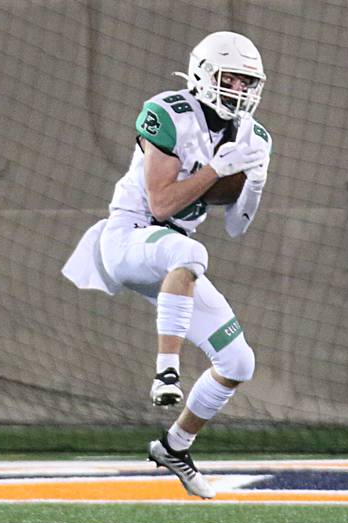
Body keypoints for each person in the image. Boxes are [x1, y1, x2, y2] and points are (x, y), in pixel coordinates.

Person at [62, 32, 272, 498]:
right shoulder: (168, 112)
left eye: (247, 81)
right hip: (129, 237)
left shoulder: (254, 136)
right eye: (231, 77)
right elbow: (159, 206)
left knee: (239, 361)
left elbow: (237, 226)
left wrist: (253, 181)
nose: (239, 89)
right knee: (190, 253)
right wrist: (218, 170)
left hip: (175, 258)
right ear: (203, 74)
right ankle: (166, 370)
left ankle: (175, 445)